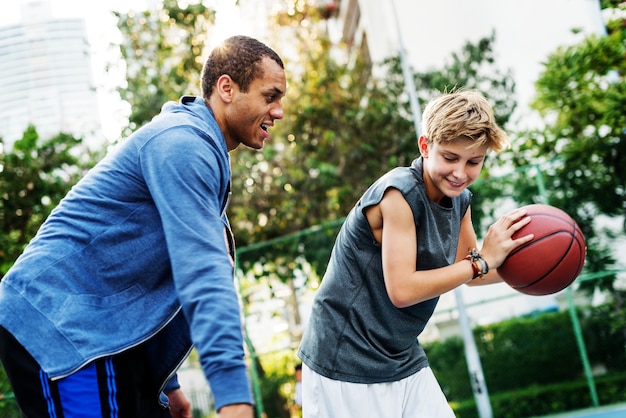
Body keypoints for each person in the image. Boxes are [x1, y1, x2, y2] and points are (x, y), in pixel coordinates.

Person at [0, 35, 286, 418]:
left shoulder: (195, 147)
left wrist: (169, 384)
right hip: (63, 323)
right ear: (227, 88)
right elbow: (203, 270)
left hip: (97, 332)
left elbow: (145, 264)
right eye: (271, 96)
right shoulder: (183, 144)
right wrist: (234, 396)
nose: (280, 111)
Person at [297, 89, 534, 417]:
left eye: (473, 161)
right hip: (346, 357)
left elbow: (472, 273)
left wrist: (533, 273)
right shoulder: (399, 195)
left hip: (399, 354)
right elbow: (403, 290)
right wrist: (481, 261)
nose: (460, 172)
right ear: (425, 146)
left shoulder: (460, 201)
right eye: (450, 157)